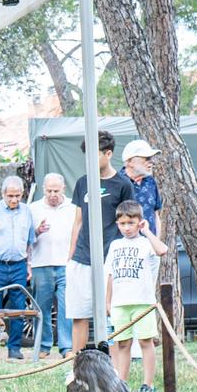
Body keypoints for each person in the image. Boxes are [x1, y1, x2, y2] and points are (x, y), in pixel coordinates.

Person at [65, 130, 133, 352]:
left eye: (93, 156)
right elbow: (77, 222)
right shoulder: (83, 183)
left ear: (108, 154)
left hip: (109, 259)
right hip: (82, 258)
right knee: (79, 314)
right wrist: (70, 257)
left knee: (110, 315)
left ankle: (111, 369)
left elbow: (129, 221)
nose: (88, 162)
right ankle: (76, 366)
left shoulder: (123, 184)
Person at [105, 200, 169, 392]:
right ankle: (121, 384)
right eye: (123, 224)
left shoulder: (145, 243)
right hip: (120, 302)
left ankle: (148, 384)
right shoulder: (115, 245)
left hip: (143, 302)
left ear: (139, 222)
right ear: (117, 224)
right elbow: (110, 274)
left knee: (145, 342)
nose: (127, 228)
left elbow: (162, 250)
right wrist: (107, 301)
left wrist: (147, 231)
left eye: (131, 223)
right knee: (122, 343)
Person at [0, 174, 38, 358]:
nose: (14, 199)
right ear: (3, 194)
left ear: (22, 194)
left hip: (19, 266)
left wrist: (29, 265)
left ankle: (14, 348)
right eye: (10, 196)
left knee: (18, 307)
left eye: (17, 196)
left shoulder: (27, 211)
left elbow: (30, 241)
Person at [28, 172, 74, 356]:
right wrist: (37, 231)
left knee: (66, 307)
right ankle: (44, 346)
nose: (53, 194)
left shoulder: (73, 207)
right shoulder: (33, 208)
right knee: (42, 308)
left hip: (66, 263)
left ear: (63, 189)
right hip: (41, 263)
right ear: (43, 190)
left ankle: (66, 346)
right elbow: (26, 239)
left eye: (56, 190)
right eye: (49, 191)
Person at [120, 138, 162, 233]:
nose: (151, 162)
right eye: (146, 158)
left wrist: (156, 242)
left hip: (149, 244)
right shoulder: (117, 182)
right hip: (126, 245)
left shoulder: (150, 181)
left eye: (151, 158)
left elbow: (155, 215)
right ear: (130, 161)